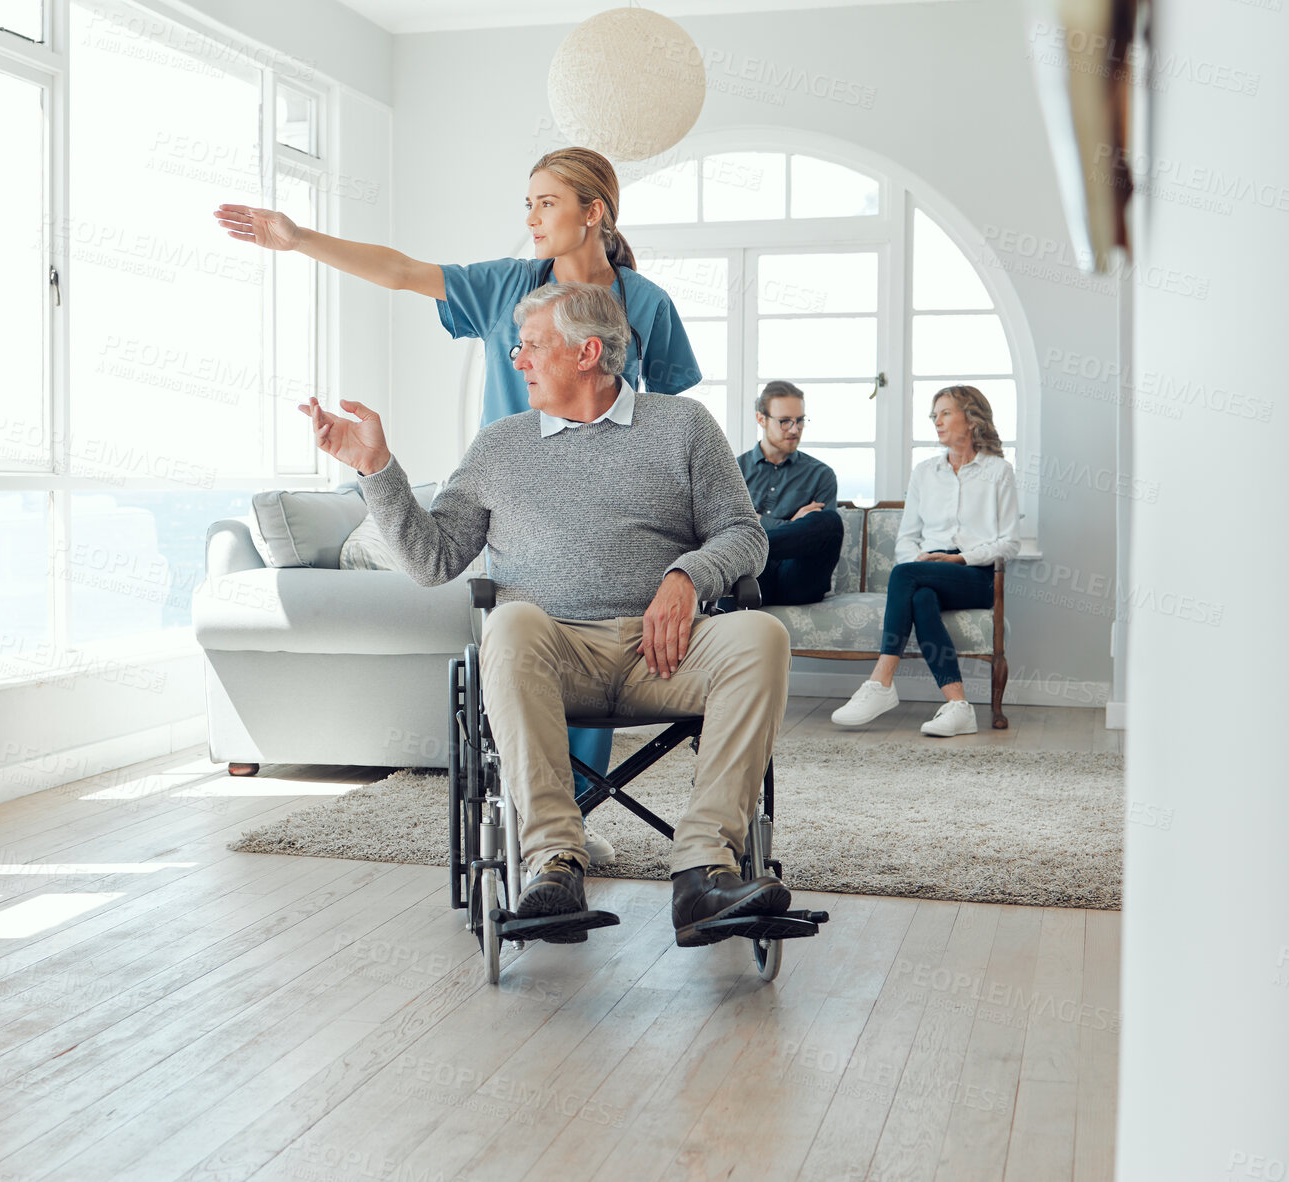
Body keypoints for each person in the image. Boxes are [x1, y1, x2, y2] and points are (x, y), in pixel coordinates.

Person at [216, 148, 703, 856]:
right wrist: (298, 239)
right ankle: (545, 817)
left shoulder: (647, 304)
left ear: (593, 212)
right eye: (527, 204)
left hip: (609, 504)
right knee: (534, 626)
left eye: (546, 203)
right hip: (519, 501)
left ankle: (569, 818)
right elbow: (402, 270)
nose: (531, 218)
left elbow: (670, 419)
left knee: (596, 629)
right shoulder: (507, 287)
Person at [298, 283, 793, 948]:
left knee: (761, 634)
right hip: (553, 656)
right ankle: (555, 863)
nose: (518, 359)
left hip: (667, 652)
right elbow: (432, 561)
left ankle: (704, 871)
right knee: (510, 619)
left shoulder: (684, 427)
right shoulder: (501, 445)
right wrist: (375, 469)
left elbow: (745, 536)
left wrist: (686, 575)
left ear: (587, 352)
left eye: (531, 345)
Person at [831, 385, 1020, 736]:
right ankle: (958, 706)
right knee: (919, 594)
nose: (938, 421)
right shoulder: (924, 472)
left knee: (906, 577)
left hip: (975, 575)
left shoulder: (998, 471)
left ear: (971, 416)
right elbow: (906, 538)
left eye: (946, 412)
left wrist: (960, 559)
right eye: (934, 415)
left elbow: (1009, 543)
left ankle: (881, 682)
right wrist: (922, 562)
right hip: (926, 570)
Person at [736, 380, 845, 607]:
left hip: (797, 578)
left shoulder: (821, 474)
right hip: (752, 576)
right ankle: (751, 551)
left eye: (800, 421)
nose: (795, 429)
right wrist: (791, 524)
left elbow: (817, 538)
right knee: (738, 563)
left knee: (829, 521)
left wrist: (758, 522)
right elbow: (727, 529)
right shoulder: (735, 470)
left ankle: (752, 546)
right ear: (761, 419)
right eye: (785, 421)